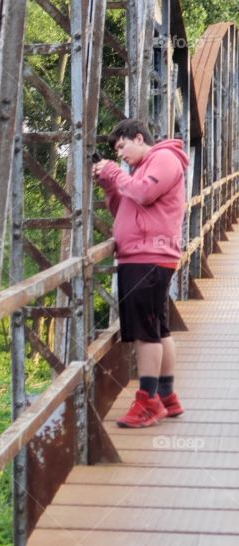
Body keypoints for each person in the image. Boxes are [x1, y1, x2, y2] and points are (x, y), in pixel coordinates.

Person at [93, 119, 188, 427]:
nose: (120, 154)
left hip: (148, 256)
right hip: (146, 255)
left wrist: (116, 173)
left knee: (145, 332)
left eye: (122, 146)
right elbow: (125, 208)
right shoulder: (141, 168)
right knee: (158, 328)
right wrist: (112, 184)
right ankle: (167, 397)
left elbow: (145, 194)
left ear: (138, 137)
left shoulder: (163, 158)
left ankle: (148, 403)